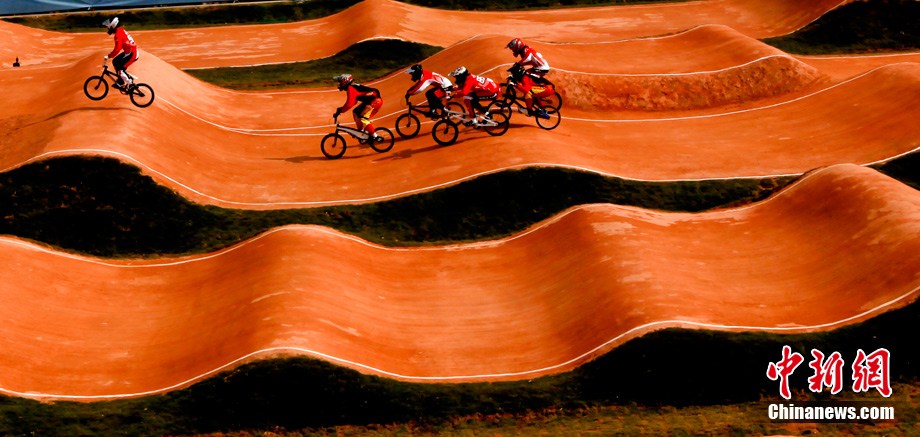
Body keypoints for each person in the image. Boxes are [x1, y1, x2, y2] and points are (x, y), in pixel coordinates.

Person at [332, 74, 383, 141]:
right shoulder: (352, 86)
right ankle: (361, 133)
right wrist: (341, 110)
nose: (340, 84)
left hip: (375, 102)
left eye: (341, 82)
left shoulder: (351, 88)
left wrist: (340, 110)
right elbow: (354, 102)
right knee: (355, 112)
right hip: (370, 101)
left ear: (346, 81)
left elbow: (349, 104)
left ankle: (375, 136)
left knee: (363, 118)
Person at [102, 17, 139, 91]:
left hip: (132, 54)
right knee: (115, 61)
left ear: (113, 26)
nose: (108, 29)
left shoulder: (118, 34)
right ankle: (121, 80)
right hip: (129, 52)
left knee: (120, 70)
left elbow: (117, 49)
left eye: (108, 27)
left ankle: (130, 83)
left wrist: (109, 56)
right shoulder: (120, 30)